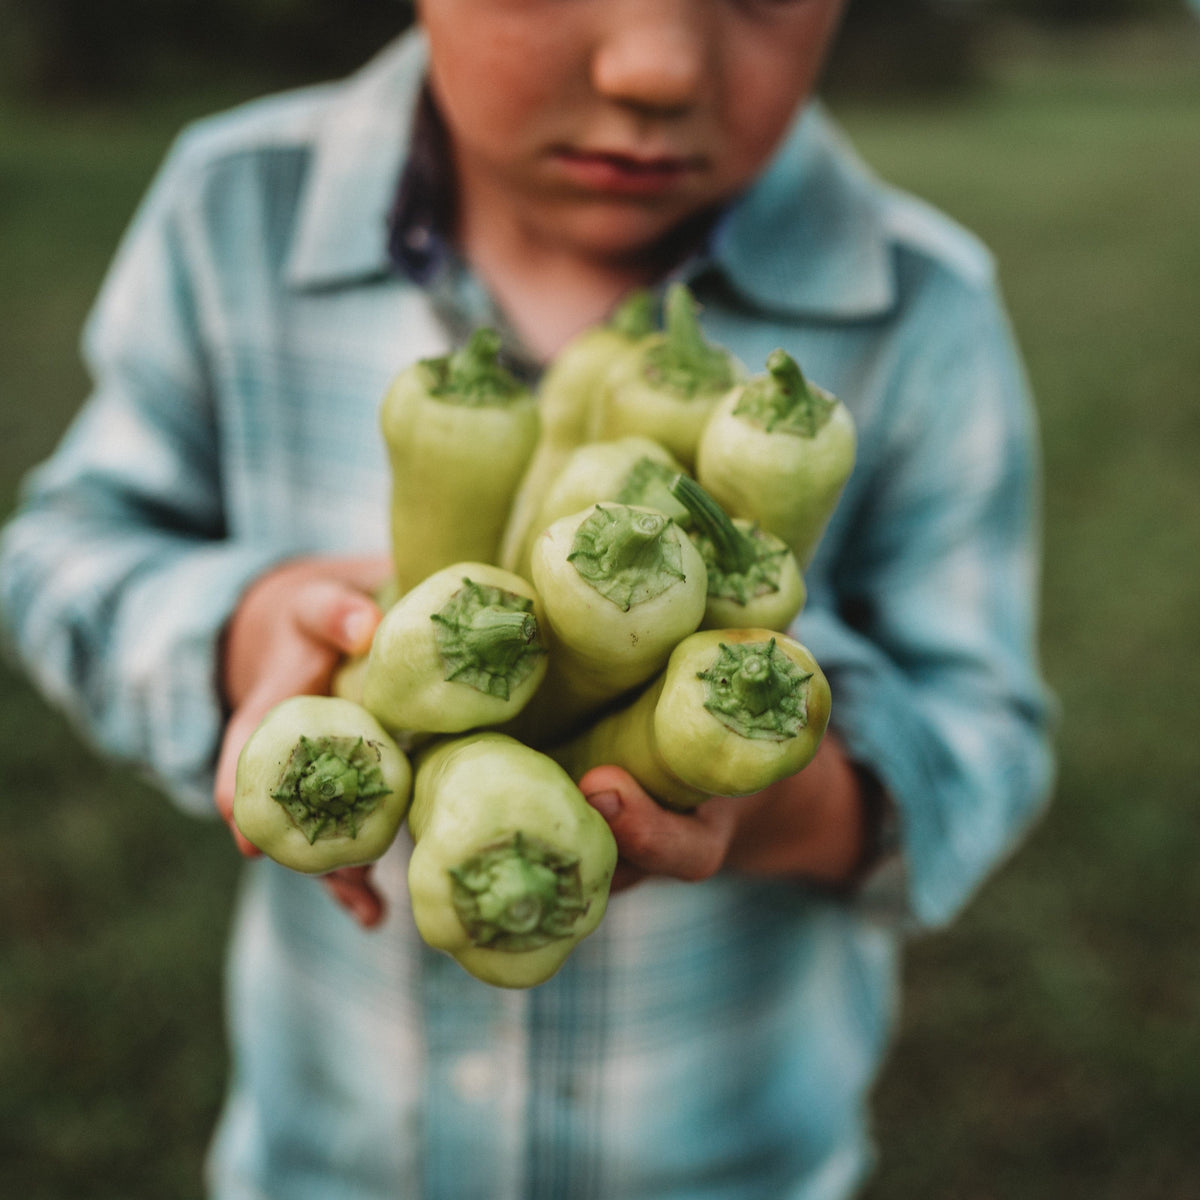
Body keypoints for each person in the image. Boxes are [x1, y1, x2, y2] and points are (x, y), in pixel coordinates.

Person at [0, 2, 1056, 1197]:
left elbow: (987, 745)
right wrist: (237, 636)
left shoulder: (927, 305)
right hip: (324, 1159)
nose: (654, 66)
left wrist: (779, 798)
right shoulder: (228, 209)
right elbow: (63, 552)